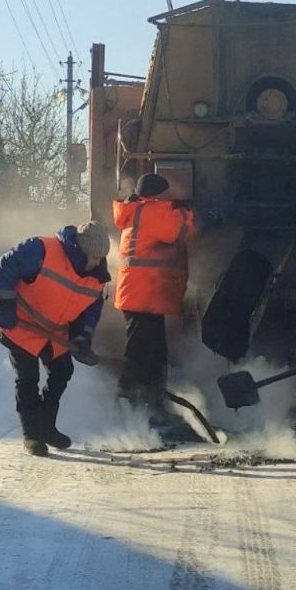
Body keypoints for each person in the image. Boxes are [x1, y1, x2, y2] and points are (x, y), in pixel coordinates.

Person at [0, 221, 111, 456]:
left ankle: (46, 427)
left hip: (53, 333)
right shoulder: (41, 250)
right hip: (19, 325)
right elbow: (3, 267)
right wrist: (5, 303)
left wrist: (82, 338)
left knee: (62, 371)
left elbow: (89, 312)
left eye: (101, 258)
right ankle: (32, 435)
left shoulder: (96, 278)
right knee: (28, 378)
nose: (98, 263)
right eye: (95, 257)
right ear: (81, 250)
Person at [112, 173, 194, 416]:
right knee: (140, 350)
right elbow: (176, 230)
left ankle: (152, 400)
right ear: (157, 194)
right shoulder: (151, 211)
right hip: (142, 293)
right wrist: (193, 214)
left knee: (155, 349)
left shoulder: (136, 210)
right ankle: (127, 399)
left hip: (141, 293)